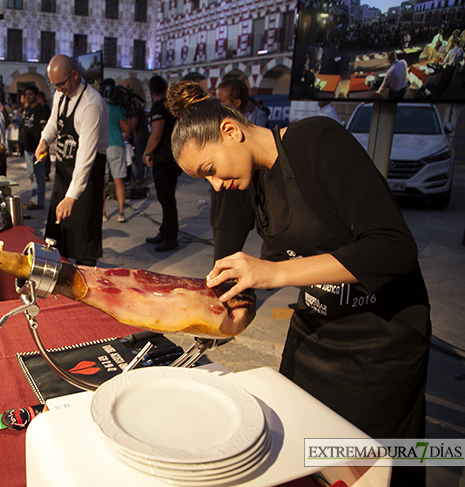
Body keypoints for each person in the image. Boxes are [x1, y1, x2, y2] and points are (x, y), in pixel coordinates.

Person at [166, 81, 430, 486]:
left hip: (379, 340)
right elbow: (285, 257)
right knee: (303, 452)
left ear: (231, 131)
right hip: (315, 333)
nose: (215, 185)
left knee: (367, 465)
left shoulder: (318, 141)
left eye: (210, 170)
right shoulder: (257, 181)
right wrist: (240, 298)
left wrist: (273, 274)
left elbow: (394, 248)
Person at [35, 54, 109, 266]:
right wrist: (44, 141)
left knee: (83, 233)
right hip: (64, 171)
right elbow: (53, 122)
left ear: (74, 75)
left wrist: (72, 195)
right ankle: (60, 274)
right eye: (54, 86)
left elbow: (86, 156)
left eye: (60, 84)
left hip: (88, 175)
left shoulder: (91, 104)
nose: (58, 90)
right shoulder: (60, 94)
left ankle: (85, 281)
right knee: (58, 232)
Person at [211, 79, 255, 261]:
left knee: (223, 264)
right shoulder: (220, 131)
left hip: (236, 209)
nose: (216, 105)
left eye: (222, 100)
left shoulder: (242, 135)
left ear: (236, 103)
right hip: (221, 207)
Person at [143, 75, 181, 252]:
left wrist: (147, 152)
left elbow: (156, 133)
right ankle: (165, 231)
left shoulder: (159, 106)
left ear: (151, 91)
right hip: (173, 156)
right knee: (167, 198)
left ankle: (170, 237)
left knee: (166, 200)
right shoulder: (171, 106)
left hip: (163, 158)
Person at [101, 79, 130, 223]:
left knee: (102, 182)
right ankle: (121, 212)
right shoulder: (119, 108)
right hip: (116, 146)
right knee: (119, 181)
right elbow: (127, 129)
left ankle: (103, 213)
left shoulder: (100, 106)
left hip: (101, 146)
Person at [21, 85, 51, 210]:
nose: (28, 97)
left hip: (37, 148)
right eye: (26, 94)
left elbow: (45, 129)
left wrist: (44, 146)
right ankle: (34, 199)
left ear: (36, 95)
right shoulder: (27, 110)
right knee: (31, 174)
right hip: (28, 148)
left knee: (39, 175)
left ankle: (40, 201)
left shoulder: (41, 109)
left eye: (30, 94)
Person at [126, 96, 149, 184]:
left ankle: (140, 177)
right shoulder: (139, 109)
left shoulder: (136, 110)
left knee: (139, 157)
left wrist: (128, 132)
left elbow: (135, 122)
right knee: (139, 156)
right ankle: (139, 175)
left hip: (140, 136)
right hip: (142, 135)